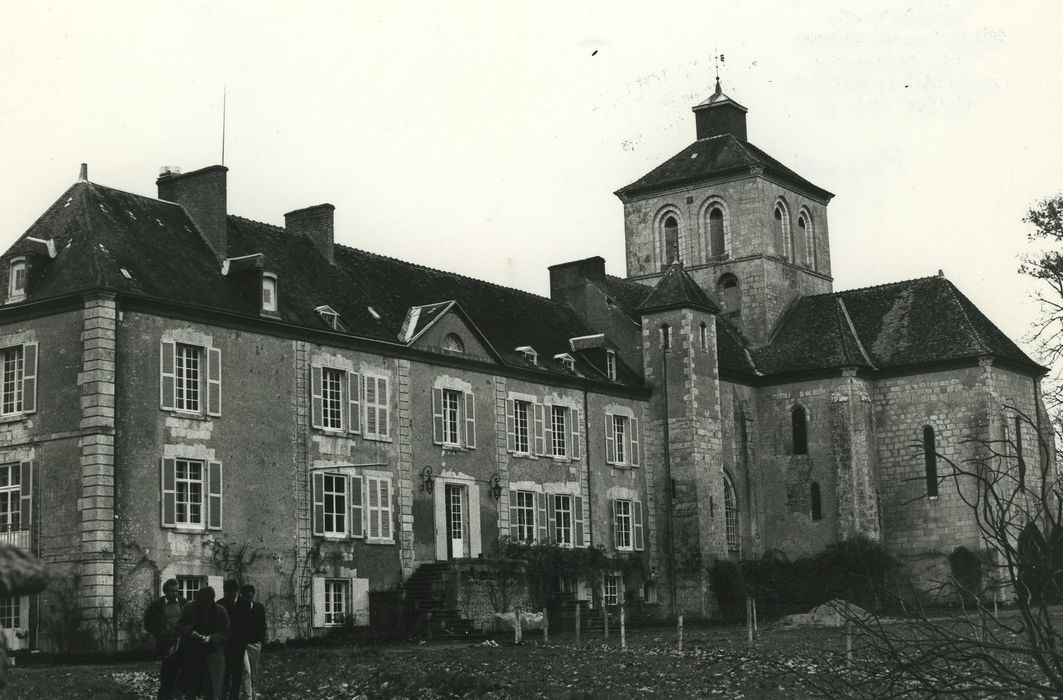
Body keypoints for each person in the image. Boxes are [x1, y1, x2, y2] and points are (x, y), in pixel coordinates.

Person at [176, 586, 229, 700]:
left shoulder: (220, 610)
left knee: (212, 686)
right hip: (192, 653)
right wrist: (191, 632)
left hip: (213, 653)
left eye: (208, 603)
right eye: (202, 604)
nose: (205, 606)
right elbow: (180, 626)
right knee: (191, 687)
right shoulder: (188, 608)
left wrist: (212, 638)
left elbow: (226, 631)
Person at [143, 578, 189, 700]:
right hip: (166, 645)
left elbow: (191, 621)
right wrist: (161, 633)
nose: (175, 594)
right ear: (165, 592)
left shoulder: (185, 603)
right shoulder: (157, 605)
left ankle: (178, 696)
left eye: (177, 591)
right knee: (168, 675)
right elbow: (148, 624)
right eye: (172, 591)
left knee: (184, 675)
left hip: (183, 644)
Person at [218, 580, 248, 700]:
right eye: (227, 593)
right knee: (225, 672)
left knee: (237, 673)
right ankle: (223, 695)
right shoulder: (220, 604)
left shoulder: (245, 604)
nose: (230, 596)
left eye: (232, 593)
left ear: (236, 592)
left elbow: (247, 622)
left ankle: (234, 697)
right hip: (225, 644)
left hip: (239, 643)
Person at [239, 584, 267, 700]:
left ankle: (253, 692)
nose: (249, 599)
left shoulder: (259, 607)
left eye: (251, 596)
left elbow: (263, 624)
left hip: (255, 643)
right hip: (243, 645)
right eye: (246, 597)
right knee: (246, 670)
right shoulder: (239, 609)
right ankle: (246, 694)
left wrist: (261, 641)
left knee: (254, 671)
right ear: (242, 596)